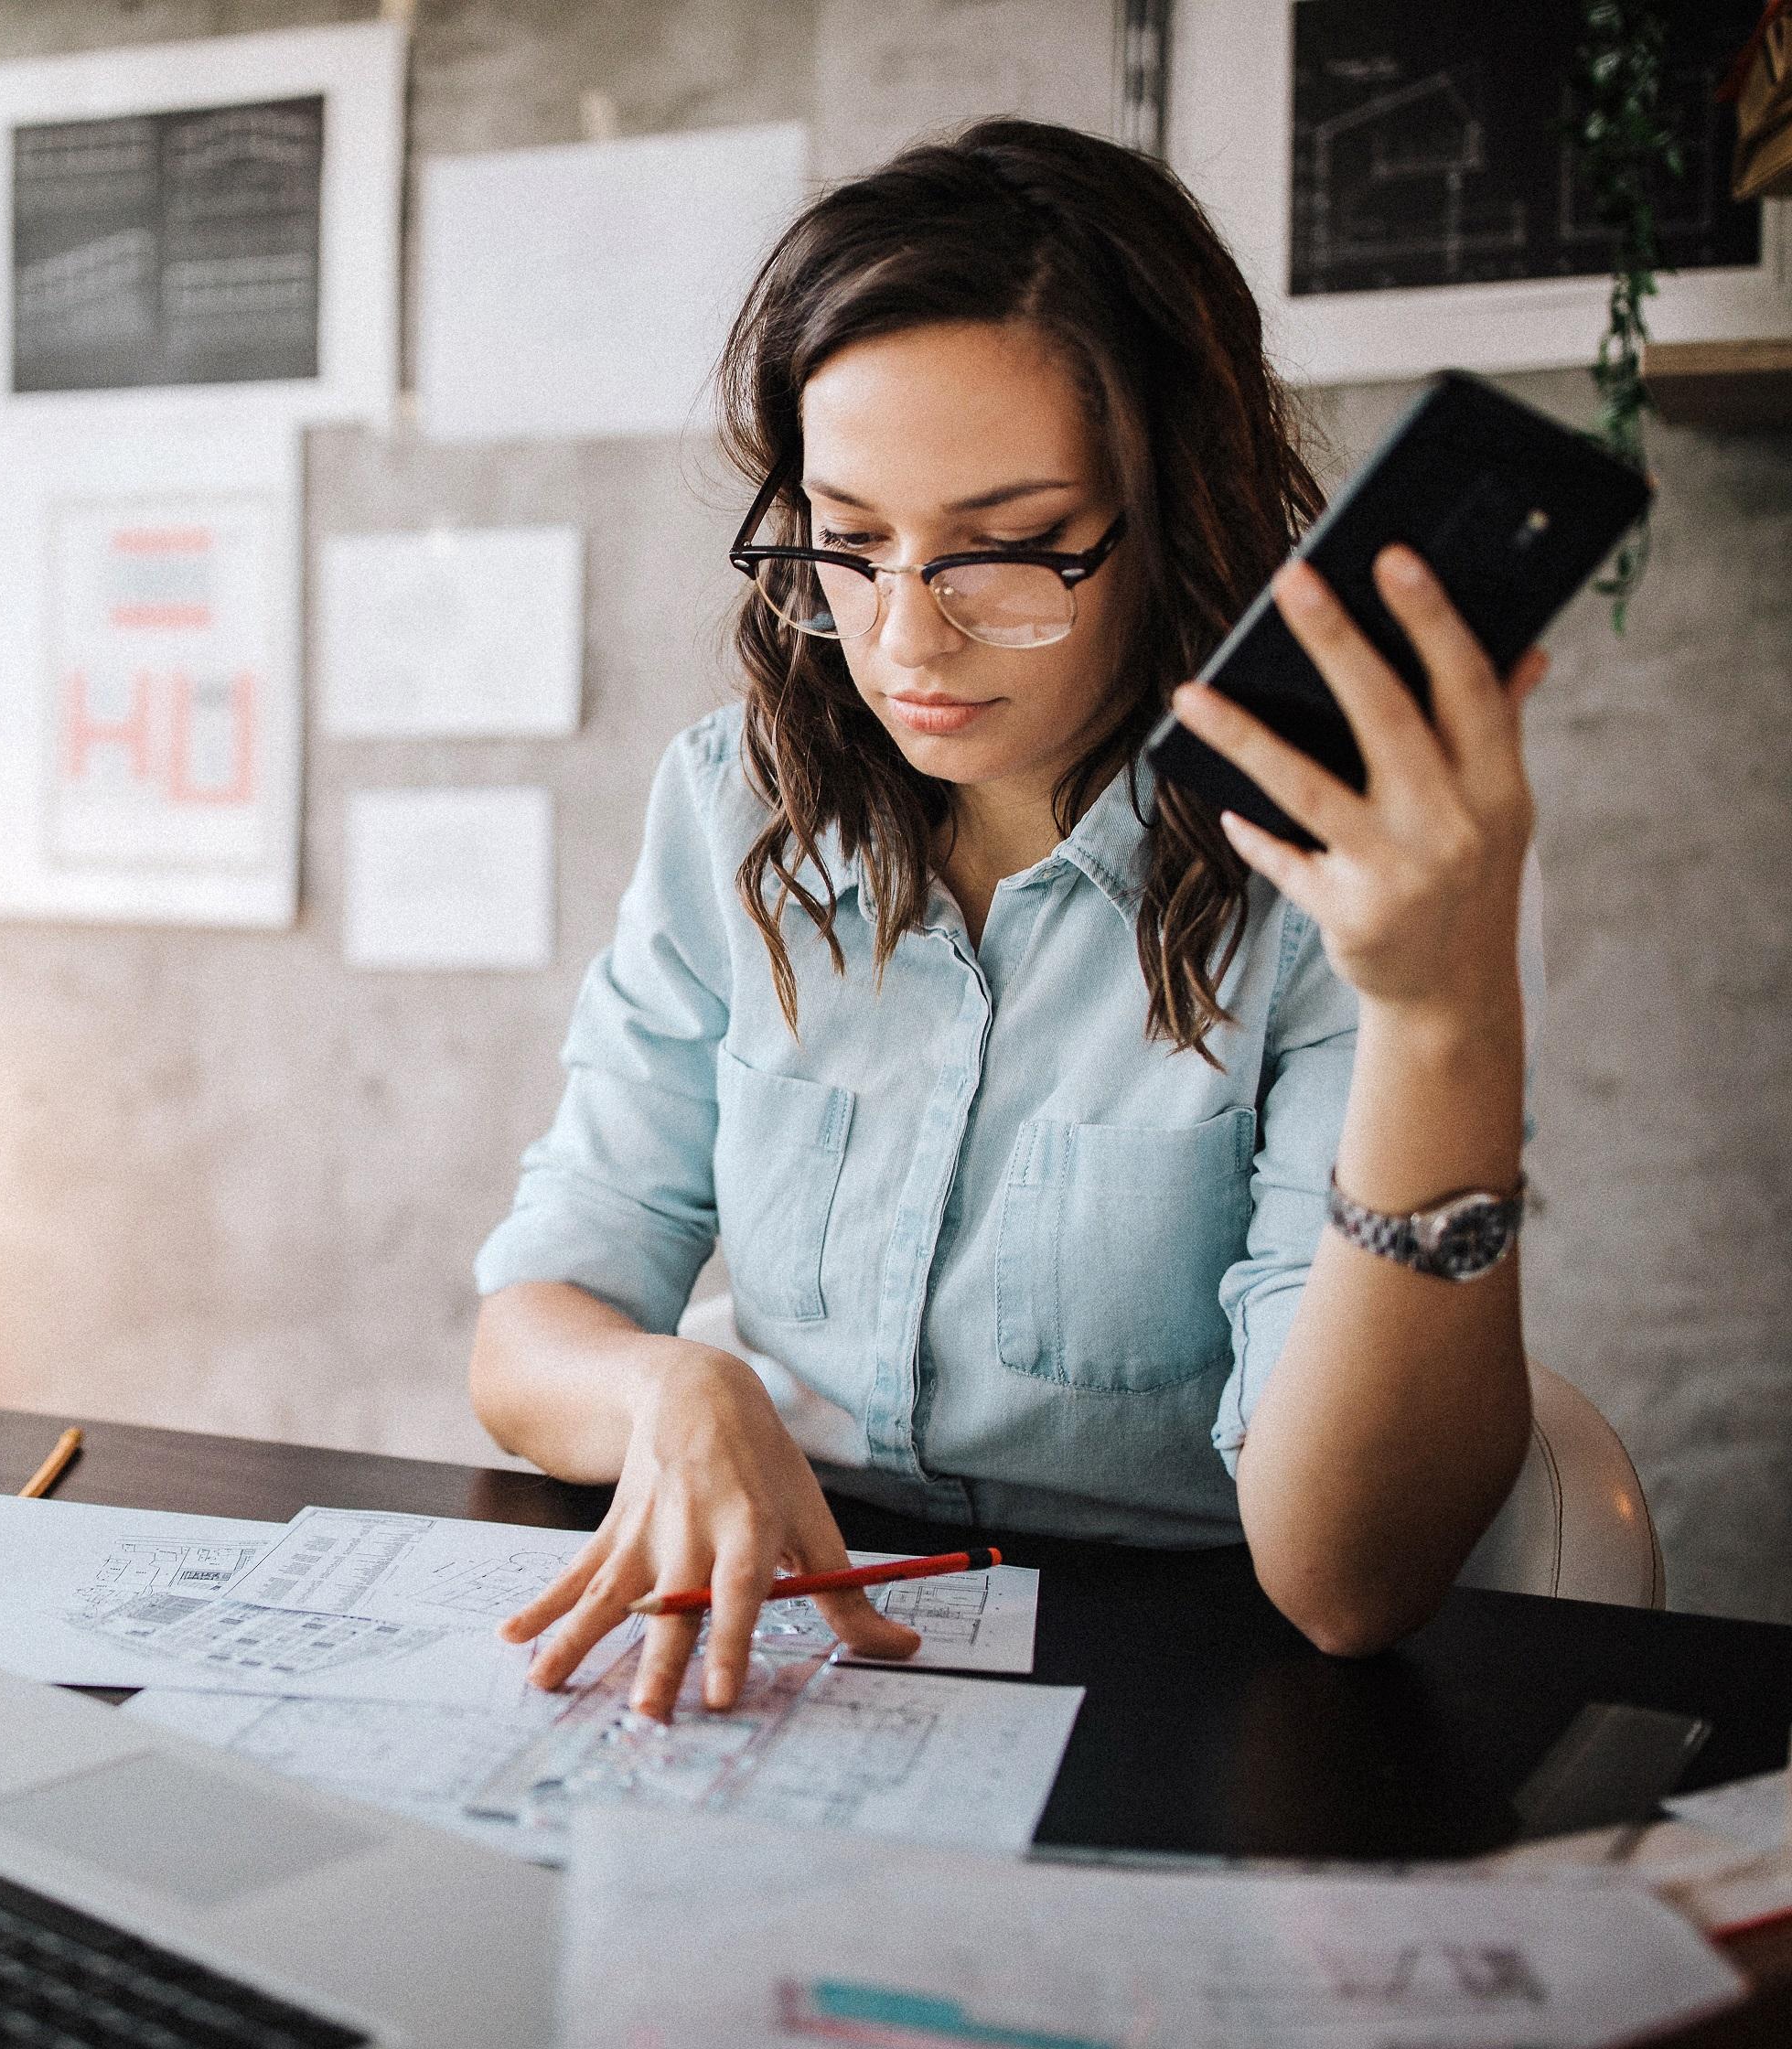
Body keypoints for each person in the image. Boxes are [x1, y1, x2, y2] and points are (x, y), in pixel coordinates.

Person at [469, 120, 1548, 1722]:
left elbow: (1349, 1583)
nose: (904, 637)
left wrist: (1445, 1010)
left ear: (1171, 513)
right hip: (804, 1660)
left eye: (1008, 550)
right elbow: (533, 1327)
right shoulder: (735, 808)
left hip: (1188, 1687)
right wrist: (669, 1385)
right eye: (850, 540)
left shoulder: (1333, 881)